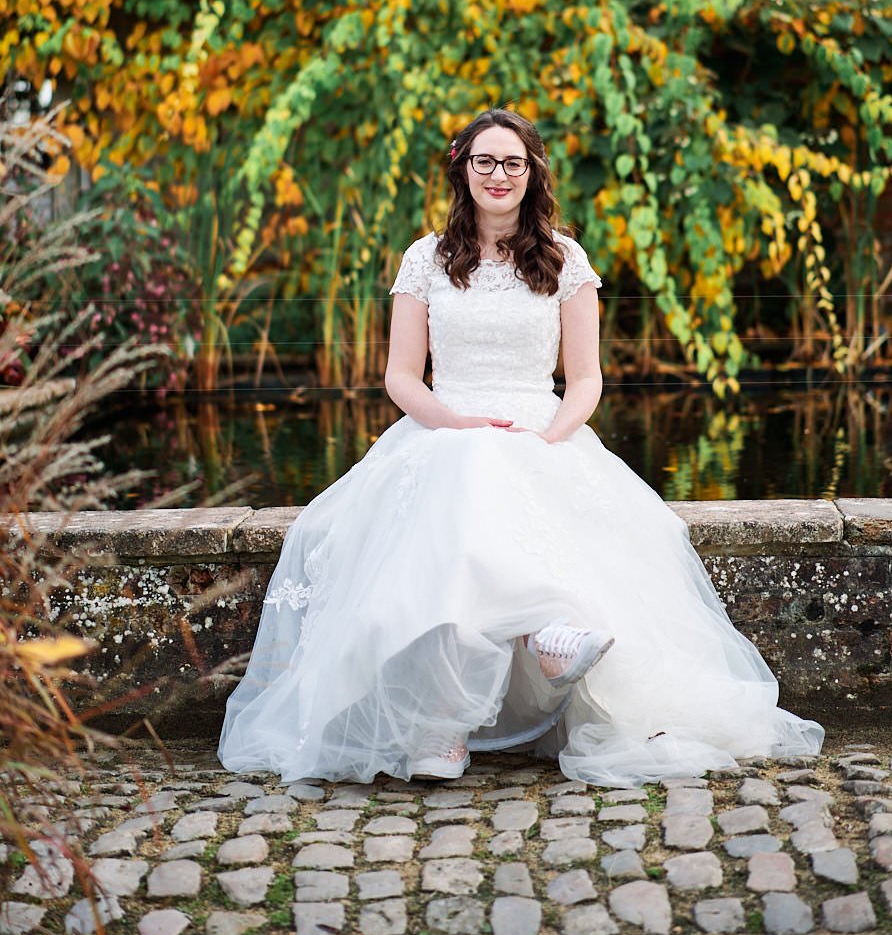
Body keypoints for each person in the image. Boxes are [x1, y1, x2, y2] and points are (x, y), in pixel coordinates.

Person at [218, 108, 823, 786]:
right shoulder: (426, 259)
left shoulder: (565, 260)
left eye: (512, 162)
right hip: (445, 424)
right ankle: (479, 691)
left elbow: (587, 379)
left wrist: (551, 439)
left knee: (506, 484)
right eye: (485, 161)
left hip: (541, 423)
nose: (498, 175)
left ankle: (480, 692)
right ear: (463, 169)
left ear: (532, 172)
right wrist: (455, 425)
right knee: (463, 492)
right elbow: (398, 376)